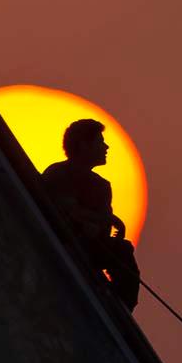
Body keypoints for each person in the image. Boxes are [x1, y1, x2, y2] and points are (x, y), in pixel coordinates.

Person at [41, 118, 140, 311]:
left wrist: (107, 225)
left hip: (92, 247)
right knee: (122, 251)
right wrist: (103, 220)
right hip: (65, 243)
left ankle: (121, 309)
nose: (106, 147)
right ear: (83, 145)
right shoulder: (59, 173)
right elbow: (64, 208)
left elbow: (103, 229)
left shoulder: (101, 186)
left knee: (123, 251)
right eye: (99, 141)